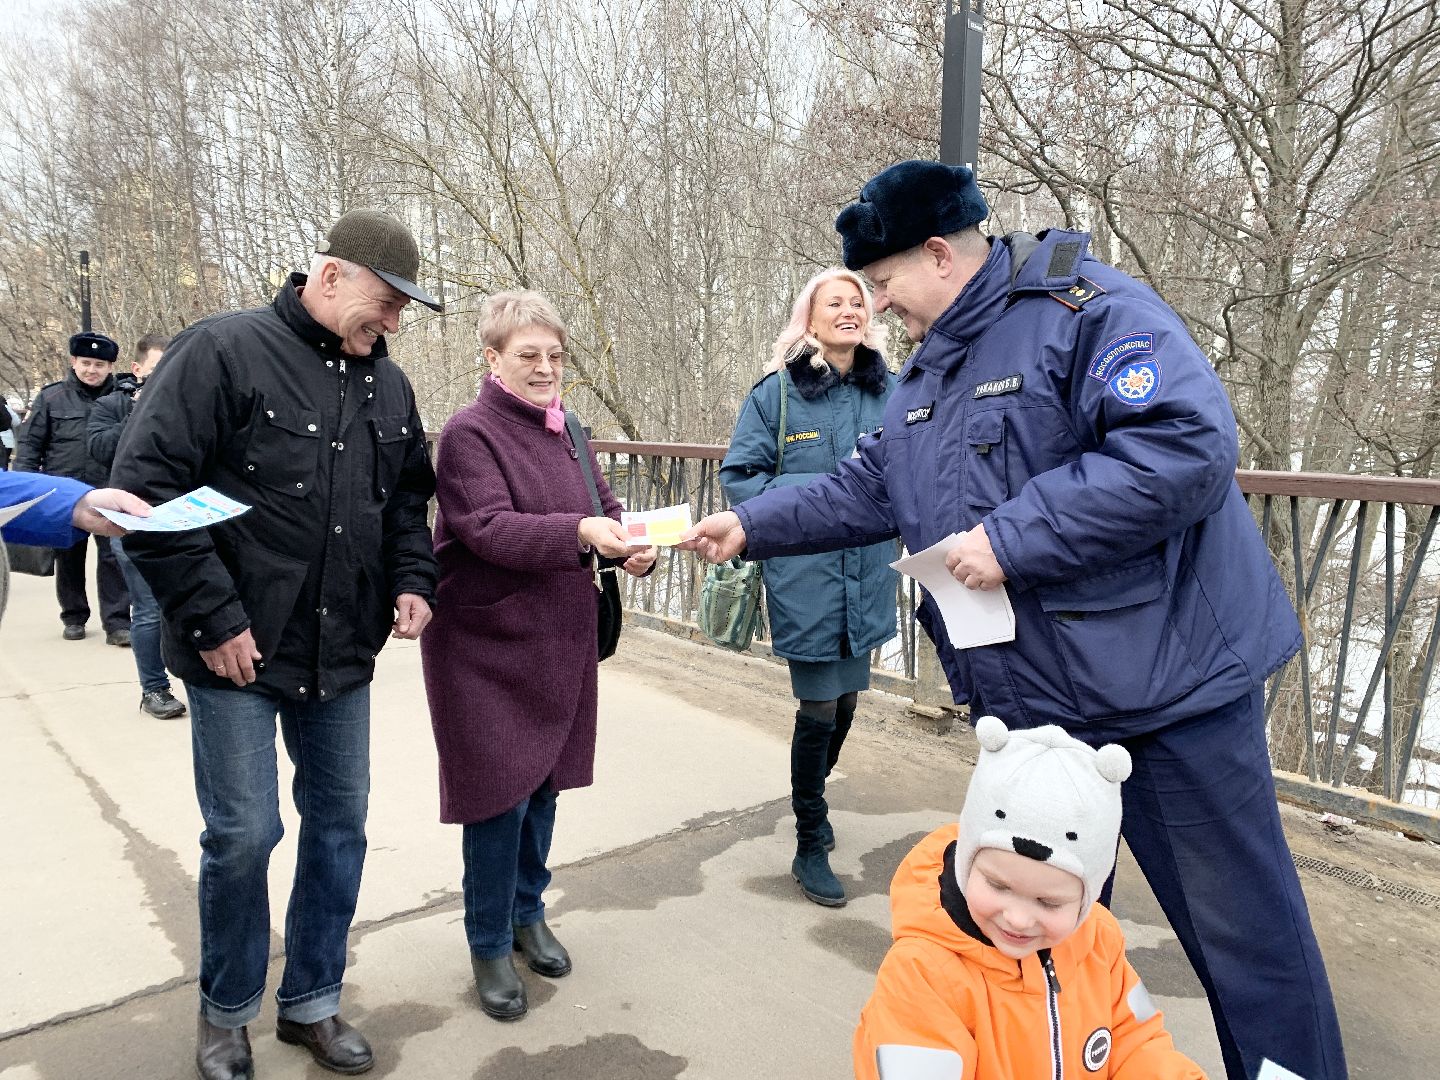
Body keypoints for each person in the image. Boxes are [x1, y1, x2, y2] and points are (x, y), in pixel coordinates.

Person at [683, 160, 1345, 1080]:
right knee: (1044, 946)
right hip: (1050, 720)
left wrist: (1013, 536)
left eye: (883, 286)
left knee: (1249, 947)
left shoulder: (1090, 312)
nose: (877, 310)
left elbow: (1185, 443)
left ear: (942, 254)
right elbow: (870, 485)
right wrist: (749, 524)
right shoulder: (929, 377)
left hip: (1169, 700)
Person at [111, 209, 442, 1080]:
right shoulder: (220, 351)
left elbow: (408, 503)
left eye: (407, 309)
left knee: (339, 828)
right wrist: (213, 619)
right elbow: (143, 496)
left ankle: (313, 1004)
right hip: (237, 656)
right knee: (246, 834)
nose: (396, 323)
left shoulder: (391, 386)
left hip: (342, 654)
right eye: (388, 301)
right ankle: (225, 1013)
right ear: (328, 276)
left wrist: (415, 581)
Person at [419, 290, 657, 1022]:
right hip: (485, 648)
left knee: (545, 784)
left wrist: (633, 545)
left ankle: (528, 913)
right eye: (529, 356)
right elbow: (488, 528)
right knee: (498, 798)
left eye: (555, 356)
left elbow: (605, 505)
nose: (546, 368)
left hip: (559, 637)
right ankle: (488, 941)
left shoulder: (570, 429)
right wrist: (584, 530)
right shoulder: (469, 434)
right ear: (492, 359)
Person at [854, 715, 1207, 1079]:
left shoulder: (1100, 943)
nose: (1019, 918)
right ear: (966, 864)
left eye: (1049, 903)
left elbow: (1138, 1042)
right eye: (998, 886)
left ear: (1087, 898)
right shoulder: (922, 973)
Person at [720, 267, 897, 908]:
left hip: (869, 571)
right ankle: (810, 837)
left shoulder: (893, 391)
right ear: (810, 317)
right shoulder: (779, 396)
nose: (848, 311)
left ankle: (810, 794)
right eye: (835, 303)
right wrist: (816, 504)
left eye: (858, 302)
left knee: (847, 699)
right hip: (807, 575)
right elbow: (741, 477)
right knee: (819, 705)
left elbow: (914, 470)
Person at [88, 333, 186, 719]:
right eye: (159, 369)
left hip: (180, 519)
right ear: (139, 369)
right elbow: (97, 448)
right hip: (130, 522)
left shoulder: (187, 404)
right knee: (147, 610)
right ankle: (154, 689)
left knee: (189, 605)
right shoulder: (111, 406)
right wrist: (140, 411)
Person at [13, 331, 132, 644]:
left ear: (110, 367)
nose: (92, 370)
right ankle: (74, 616)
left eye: (99, 364)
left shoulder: (122, 399)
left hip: (110, 489)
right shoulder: (51, 398)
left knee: (113, 558)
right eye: (86, 363)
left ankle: (118, 622)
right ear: (73, 362)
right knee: (68, 556)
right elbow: (30, 445)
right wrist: (27, 487)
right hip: (64, 493)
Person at [1, 473, 150, 625]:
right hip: (64, 473)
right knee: (69, 564)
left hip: (90, 488)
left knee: (110, 561)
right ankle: (74, 616)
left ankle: (116, 621)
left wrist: (78, 503)